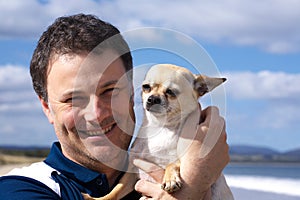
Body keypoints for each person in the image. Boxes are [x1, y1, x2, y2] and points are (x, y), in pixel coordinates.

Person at [0, 14, 230, 199]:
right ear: (47, 107)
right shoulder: (22, 190)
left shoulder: (142, 171)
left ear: (132, 93)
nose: (96, 114)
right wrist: (191, 187)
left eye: (109, 91)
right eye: (74, 99)